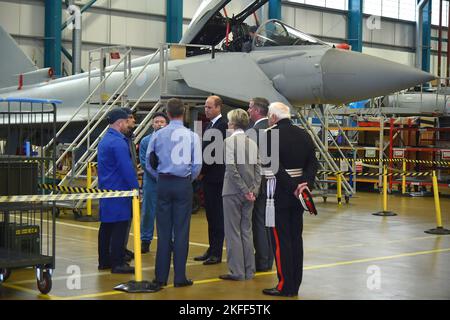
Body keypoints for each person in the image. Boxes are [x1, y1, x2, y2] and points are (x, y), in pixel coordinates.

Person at [262, 102, 318, 297]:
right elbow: (313, 162)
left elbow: (274, 167)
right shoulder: (304, 134)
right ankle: (295, 284)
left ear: (274, 117)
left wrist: (292, 186)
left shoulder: (269, 135)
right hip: (299, 195)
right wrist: (305, 185)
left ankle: (285, 285)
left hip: (279, 192)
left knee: (281, 240)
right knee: (296, 239)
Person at [147, 98, 202, 287]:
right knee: (181, 231)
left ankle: (160, 277)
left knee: (162, 231)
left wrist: (159, 177)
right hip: (182, 184)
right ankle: (180, 277)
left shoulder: (158, 135)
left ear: (167, 114)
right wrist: (187, 179)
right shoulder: (192, 136)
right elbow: (197, 166)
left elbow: (149, 162)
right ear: (184, 113)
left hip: (163, 182)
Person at [220, 109, 261, 281]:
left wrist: (245, 190)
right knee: (246, 230)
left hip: (233, 191)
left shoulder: (229, 142)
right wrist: (253, 190)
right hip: (250, 193)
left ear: (232, 123)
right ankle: (249, 270)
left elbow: (231, 169)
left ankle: (237, 271)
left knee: (233, 232)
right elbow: (258, 168)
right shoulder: (252, 142)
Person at [97, 108, 139, 274]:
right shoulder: (119, 142)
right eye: (126, 122)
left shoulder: (105, 140)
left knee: (106, 227)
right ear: (120, 123)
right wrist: (135, 187)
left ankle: (104, 261)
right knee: (120, 228)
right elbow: (126, 168)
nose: (128, 125)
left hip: (106, 190)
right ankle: (118, 263)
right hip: (120, 191)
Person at [194, 95, 228, 265]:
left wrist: (201, 171)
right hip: (208, 178)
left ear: (218, 108)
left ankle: (216, 252)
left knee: (217, 216)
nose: (205, 110)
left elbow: (213, 154)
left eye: (209, 107)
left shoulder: (222, 126)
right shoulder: (209, 126)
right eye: (205, 107)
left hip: (216, 178)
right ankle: (211, 248)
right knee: (210, 215)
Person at [247, 97, 274, 272]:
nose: (248, 111)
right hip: (273, 182)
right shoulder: (273, 129)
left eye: (250, 108)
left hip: (260, 183)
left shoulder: (254, 133)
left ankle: (263, 261)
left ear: (257, 110)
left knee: (259, 221)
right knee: (269, 222)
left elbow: (251, 162)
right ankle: (268, 258)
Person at [139, 112, 169, 254]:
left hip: (168, 181)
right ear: (152, 124)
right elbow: (145, 163)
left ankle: (170, 241)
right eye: (156, 121)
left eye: (162, 121)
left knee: (169, 213)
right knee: (148, 212)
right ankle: (145, 240)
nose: (159, 124)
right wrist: (158, 176)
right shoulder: (145, 141)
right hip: (151, 182)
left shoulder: (172, 140)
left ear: (167, 124)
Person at [122, 107, 137, 262]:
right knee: (122, 221)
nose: (134, 120)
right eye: (131, 117)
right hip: (124, 187)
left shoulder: (129, 138)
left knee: (128, 220)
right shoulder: (122, 140)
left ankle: (122, 247)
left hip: (128, 186)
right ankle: (118, 250)